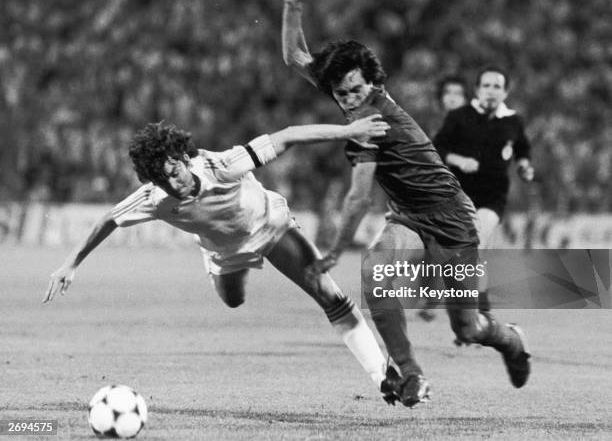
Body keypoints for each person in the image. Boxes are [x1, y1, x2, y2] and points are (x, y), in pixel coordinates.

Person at [277, 0, 531, 408]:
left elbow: (358, 197)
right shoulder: (348, 94)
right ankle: (411, 375)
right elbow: (295, 57)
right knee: (377, 273)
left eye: (356, 90)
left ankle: (511, 341)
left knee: (468, 329)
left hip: (453, 219)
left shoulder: (372, 120)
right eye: (341, 94)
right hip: (409, 216)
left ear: (372, 82)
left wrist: (335, 250)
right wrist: (293, 7)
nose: (349, 100)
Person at [43, 118, 394, 395]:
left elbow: (290, 135)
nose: (172, 185)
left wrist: (350, 131)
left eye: (174, 173)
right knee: (233, 300)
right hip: (224, 251)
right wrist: (71, 263)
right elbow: (109, 220)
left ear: (182, 158)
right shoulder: (154, 198)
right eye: (161, 182)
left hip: (269, 226)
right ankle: (220, 268)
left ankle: (382, 376)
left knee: (328, 294)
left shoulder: (222, 164)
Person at [434, 66, 534, 249]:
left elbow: (522, 149)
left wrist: (524, 167)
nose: (491, 91)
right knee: (466, 252)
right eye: (486, 85)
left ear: (505, 93)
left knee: (475, 241)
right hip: (458, 194)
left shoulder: (513, 121)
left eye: (497, 87)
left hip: (493, 195)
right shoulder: (459, 117)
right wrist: (460, 161)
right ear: (477, 90)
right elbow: (437, 148)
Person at [417, 75, 469, 322]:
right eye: (448, 92)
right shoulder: (428, 124)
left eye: (458, 93)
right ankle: (432, 296)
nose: (452, 97)